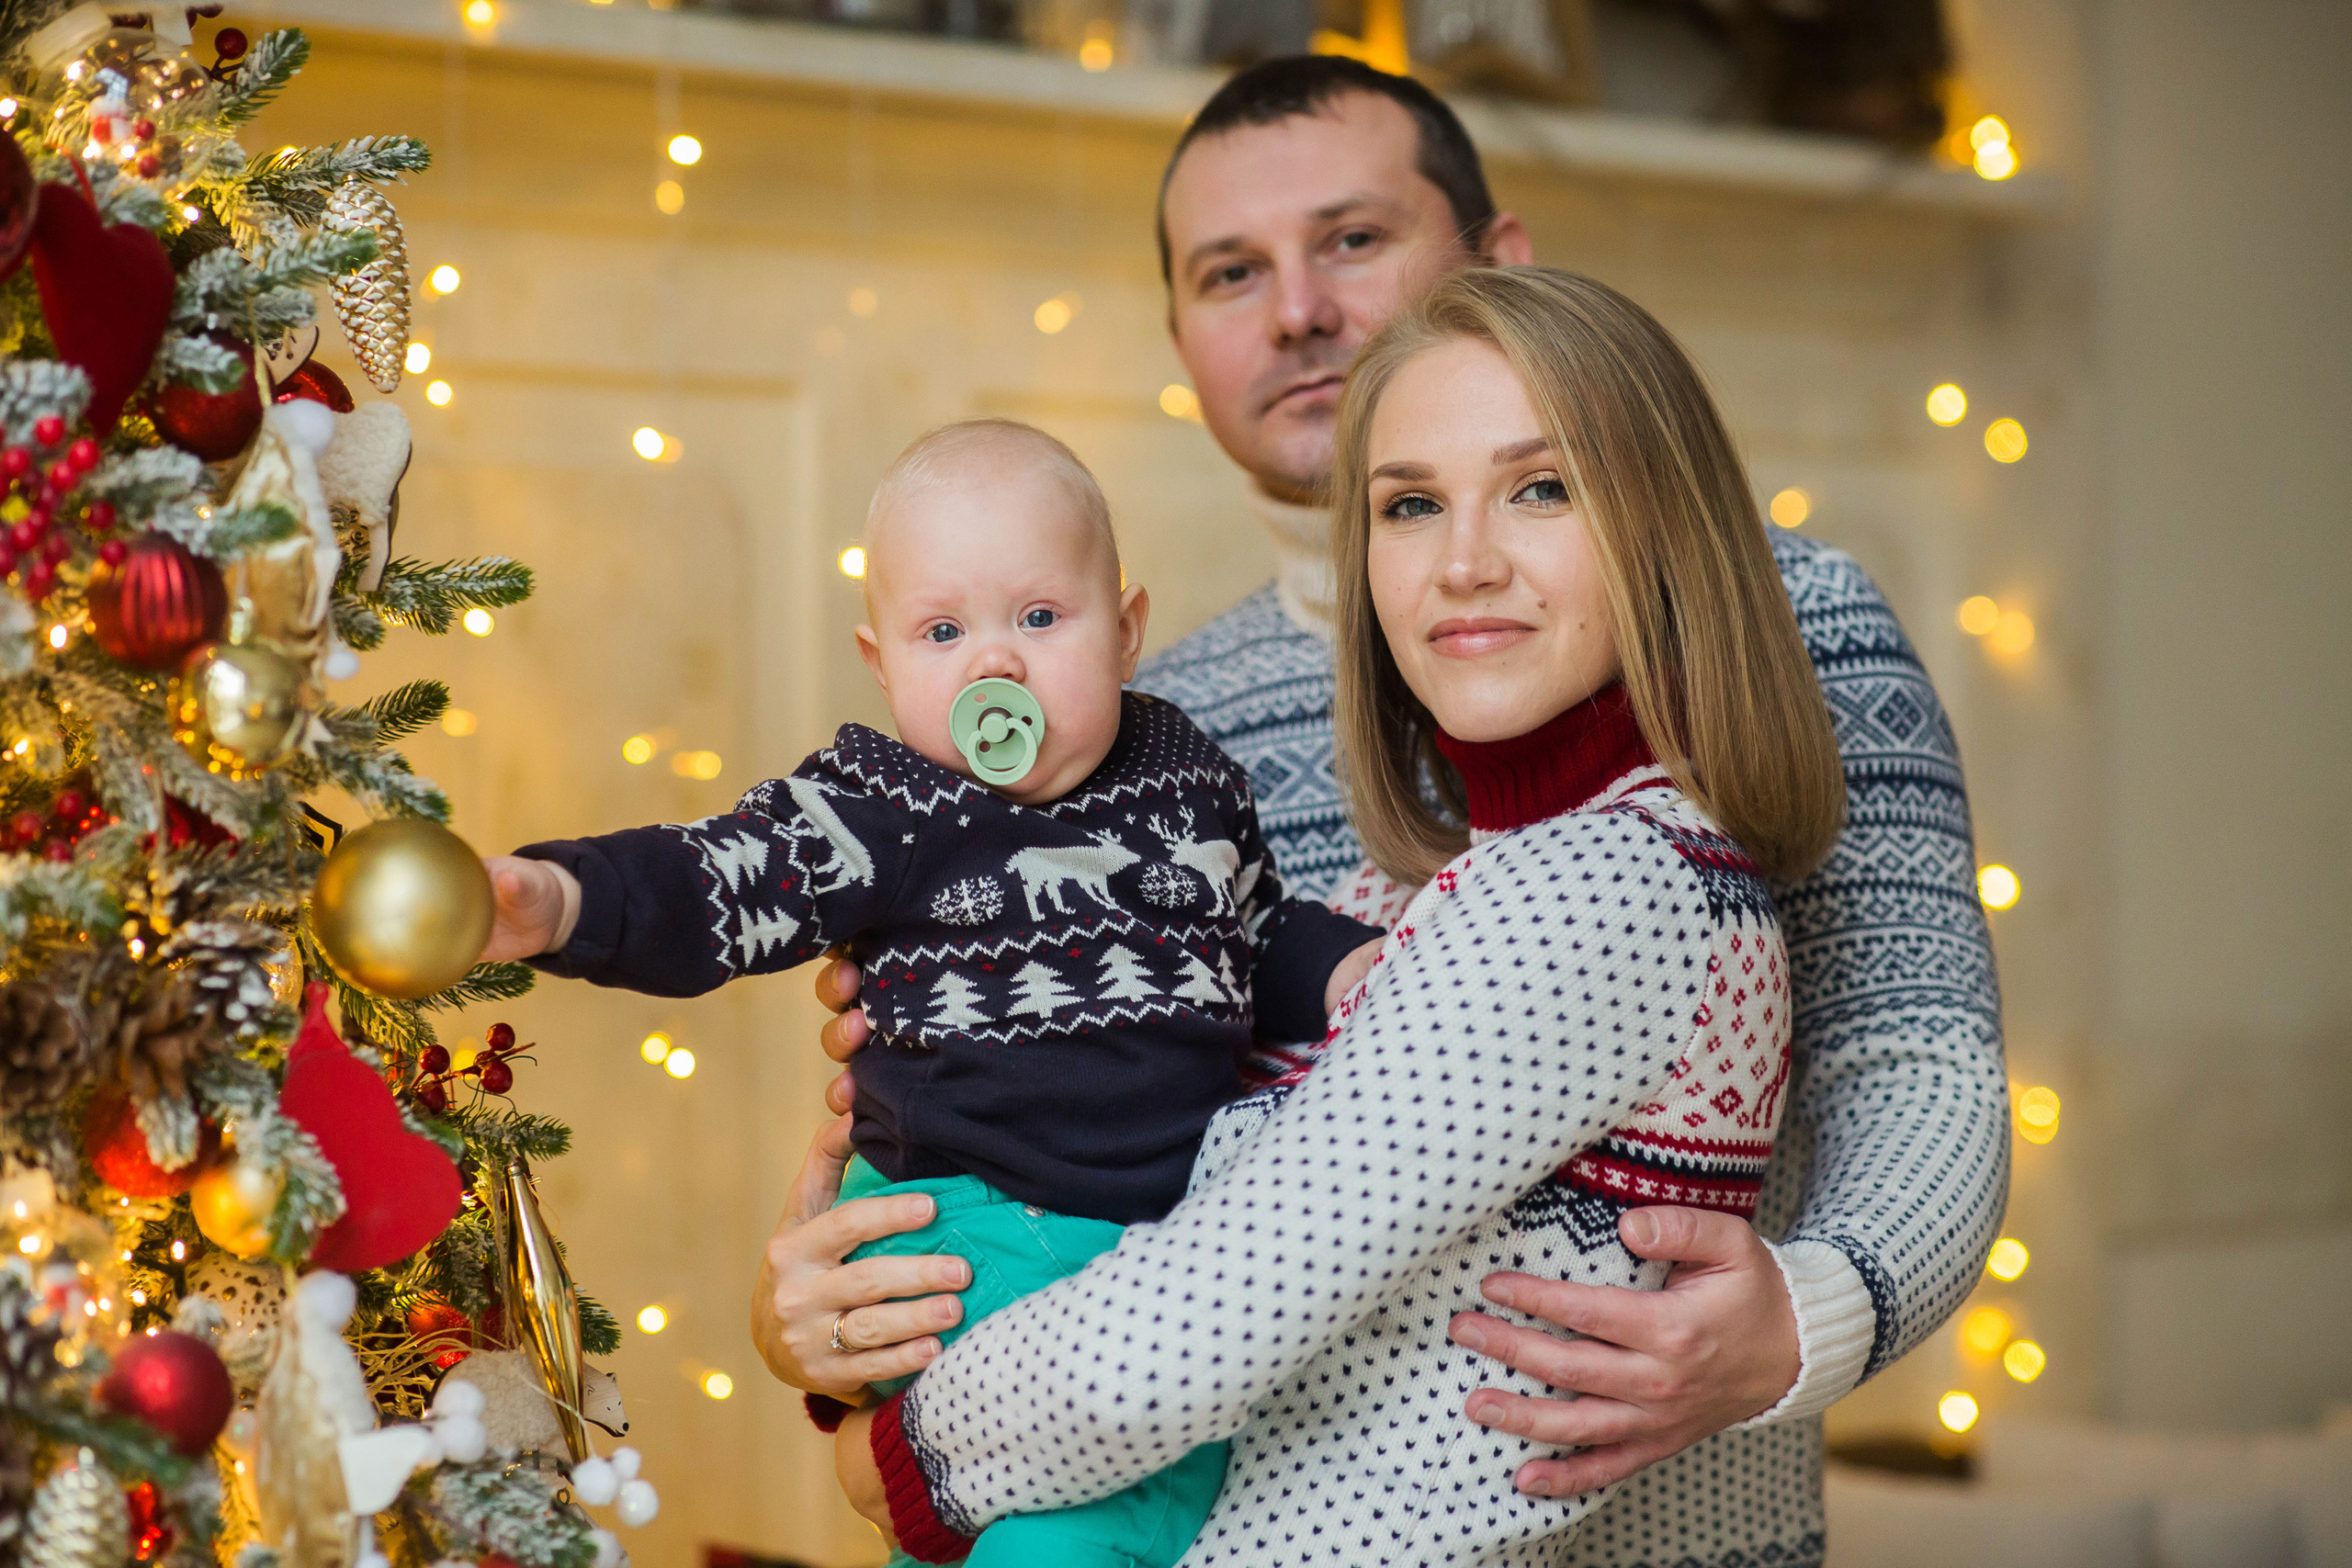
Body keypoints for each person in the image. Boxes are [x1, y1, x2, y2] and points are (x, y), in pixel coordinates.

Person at [758, 56, 2007, 1568]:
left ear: (1499, 260)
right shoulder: (1126, 725)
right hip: (1193, 1496)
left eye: (1351, 238)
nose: (1297, 309)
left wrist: (1810, 1315)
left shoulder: (1781, 630)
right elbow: (1095, 1173)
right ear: (1182, 339)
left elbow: (1916, 1062)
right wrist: (831, 1327)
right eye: (1232, 272)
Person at [835, 265, 1849, 1562]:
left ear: (1665, 529)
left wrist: (889, 1453)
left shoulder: (1609, 887)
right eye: (1410, 504)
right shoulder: (1412, 900)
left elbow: (1183, 1333)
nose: (1465, 562)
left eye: (1541, 487)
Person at [480, 419, 1383, 1568]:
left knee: (1126, 1510)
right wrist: (563, 900)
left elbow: (1255, 929)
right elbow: (727, 874)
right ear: (883, 663)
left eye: (1039, 618)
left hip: (1160, 1251)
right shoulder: (889, 804)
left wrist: (1356, 969)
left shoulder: (1190, 775)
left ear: (1125, 632)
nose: (992, 666)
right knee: (1079, 1525)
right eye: (943, 632)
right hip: (961, 1230)